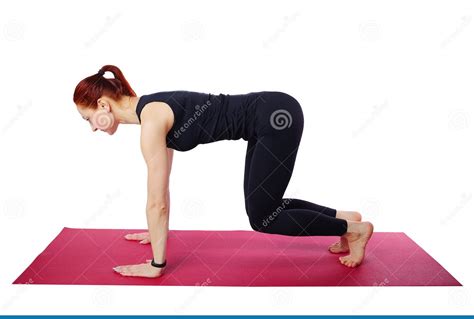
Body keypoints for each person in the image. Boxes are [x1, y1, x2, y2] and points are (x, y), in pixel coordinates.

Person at [73, 65, 374, 278]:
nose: (92, 128)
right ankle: (345, 219)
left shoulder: (151, 121)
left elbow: (157, 203)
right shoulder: (151, 111)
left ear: (103, 104)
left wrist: (156, 265)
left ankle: (355, 232)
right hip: (270, 116)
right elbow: (161, 191)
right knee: (265, 205)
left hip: (274, 118)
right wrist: (155, 234)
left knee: (263, 217)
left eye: (88, 118)